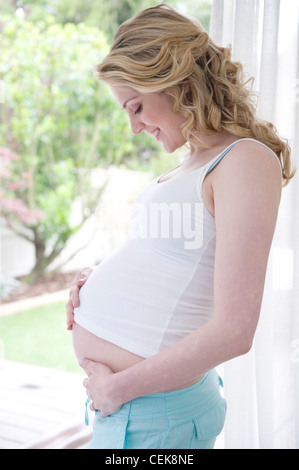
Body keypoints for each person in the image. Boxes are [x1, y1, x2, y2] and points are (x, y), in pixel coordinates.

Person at [66, 4, 295, 449]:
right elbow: (176, 263)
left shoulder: (243, 161)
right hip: (139, 412)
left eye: (136, 107)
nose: (134, 128)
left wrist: (118, 388)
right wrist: (100, 282)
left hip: (151, 413)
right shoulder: (191, 164)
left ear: (177, 85)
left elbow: (235, 329)